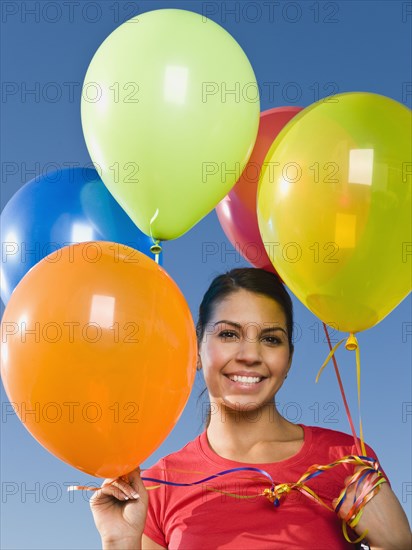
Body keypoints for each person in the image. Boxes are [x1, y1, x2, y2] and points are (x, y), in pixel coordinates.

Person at [89, 268, 411, 549]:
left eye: (271, 340)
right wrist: (120, 544)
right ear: (197, 350)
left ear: (289, 360)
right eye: (229, 334)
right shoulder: (156, 488)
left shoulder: (346, 460)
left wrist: (396, 545)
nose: (250, 355)